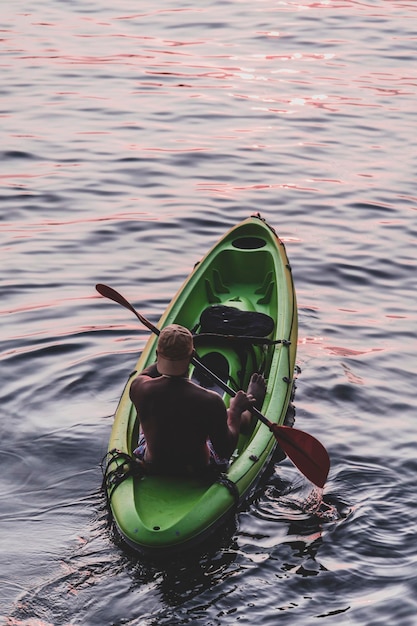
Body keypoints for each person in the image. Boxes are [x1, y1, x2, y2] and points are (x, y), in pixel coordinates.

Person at [129, 323, 266, 476]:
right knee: (228, 415)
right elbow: (225, 451)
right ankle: (246, 411)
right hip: (196, 469)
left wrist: (168, 354)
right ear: (193, 355)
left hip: (153, 463)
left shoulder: (138, 387)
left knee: (149, 415)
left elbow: (145, 374)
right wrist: (235, 410)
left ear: (157, 354)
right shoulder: (210, 400)